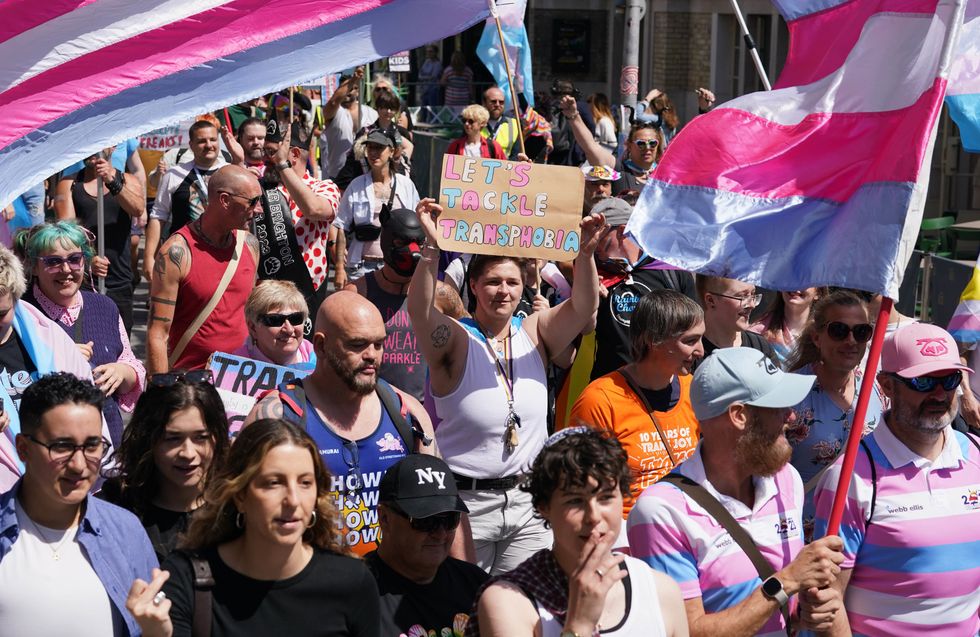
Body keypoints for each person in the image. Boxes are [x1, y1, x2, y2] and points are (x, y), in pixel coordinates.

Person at [408, 198, 604, 575]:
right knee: (466, 614)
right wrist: (431, 247)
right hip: (467, 506)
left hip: (528, 503)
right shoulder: (455, 340)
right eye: (493, 282)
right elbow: (419, 310)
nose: (504, 291)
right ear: (475, 288)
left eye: (512, 282)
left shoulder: (535, 330)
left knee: (523, 608)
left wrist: (585, 254)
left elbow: (583, 307)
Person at [628, 348, 845, 636]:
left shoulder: (786, 479)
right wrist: (788, 582)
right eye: (778, 405)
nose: (791, 416)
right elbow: (684, 631)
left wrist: (807, 609)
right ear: (739, 415)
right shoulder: (661, 511)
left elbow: (783, 608)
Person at [127, 418, 380, 637]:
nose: (292, 500)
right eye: (273, 483)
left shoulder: (352, 582)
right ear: (239, 495)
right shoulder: (187, 579)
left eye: (305, 482)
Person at [814, 323, 980, 637]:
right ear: (886, 386)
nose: (940, 393)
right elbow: (828, 599)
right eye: (923, 381)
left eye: (950, 379)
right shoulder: (851, 477)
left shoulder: (976, 454)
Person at [246, 291, 438, 556]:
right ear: (321, 346)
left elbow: (439, 509)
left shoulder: (407, 412)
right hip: (311, 584)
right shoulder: (277, 414)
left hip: (388, 587)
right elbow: (245, 514)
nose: (372, 355)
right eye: (358, 344)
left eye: (379, 344)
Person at [468, 427, 689, 636]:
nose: (593, 516)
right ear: (544, 507)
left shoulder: (660, 591)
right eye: (575, 501)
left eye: (605, 498)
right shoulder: (508, 600)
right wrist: (579, 624)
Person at [0, 373, 157, 637]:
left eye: (93, 445)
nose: (79, 465)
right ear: (23, 448)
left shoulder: (125, 532)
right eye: (62, 447)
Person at [570, 290, 703, 519]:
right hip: (627, 530)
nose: (700, 351)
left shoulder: (695, 389)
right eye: (689, 341)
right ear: (653, 340)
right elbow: (582, 488)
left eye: (701, 338)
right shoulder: (600, 400)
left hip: (690, 522)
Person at [20, 221, 145, 446]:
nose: (66, 269)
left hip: (106, 443)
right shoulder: (21, 315)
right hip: (50, 448)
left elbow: (131, 365)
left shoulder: (105, 306)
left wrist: (122, 372)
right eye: (53, 262)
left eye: (74, 259)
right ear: (35, 267)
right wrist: (60, 358)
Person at [0, 245, 111, 489]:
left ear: (16, 298)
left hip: (66, 481)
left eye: (1, 313)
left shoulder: (47, 336)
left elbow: (89, 411)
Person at [785, 290, 886, 541]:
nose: (851, 341)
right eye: (839, 330)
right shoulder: (789, 392)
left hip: (866, 534)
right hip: (805, 538)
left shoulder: (878, 391)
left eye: (861, 332)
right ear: (816, 337)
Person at [100, 373, 229, 560]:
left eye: (201, 438)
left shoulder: (237, 510)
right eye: (173, 439)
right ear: (147, 439)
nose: (188, 453)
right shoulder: (114, 508)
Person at [146, 165, 260, 375]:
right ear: (225, 200)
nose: (259, 209)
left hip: (240, 383)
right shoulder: (176, 253)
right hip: (191, 385)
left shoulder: (250, 245)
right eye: (252, 202)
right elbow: (157, 334)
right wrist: (161, 393)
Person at [350, 207, 466, 402]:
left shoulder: (442, 294)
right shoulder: (357, 294)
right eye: (401, 242)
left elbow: (471, 340)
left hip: (429, 409)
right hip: (374, 407)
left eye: (419, 243)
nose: (412, 252)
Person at [366, 454, 488, 636]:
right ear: (384, 518)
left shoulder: (477, 586)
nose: (440, 533)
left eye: (450, 519)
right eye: (425, 521)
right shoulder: (353, 594)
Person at [589, 197, 698, 380]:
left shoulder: (670, 270)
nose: (596, 247)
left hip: (667, 383)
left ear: (623, 231)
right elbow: (583, 327)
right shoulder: (592, 273)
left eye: (601, 239)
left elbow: (693, 327)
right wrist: (590, 295)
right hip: (612, 387)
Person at [55, 146, 145, 333]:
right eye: (88, 143)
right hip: (83, 280)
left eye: (99, 144)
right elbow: (68, 232)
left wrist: (111, 181)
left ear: (112, 147)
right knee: (85, 338)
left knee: (121, 339)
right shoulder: (69, 184)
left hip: (119, 277)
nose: (93, 150)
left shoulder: (128, 180)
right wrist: (88, 259)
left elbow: (137, 208)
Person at [333, 128, 420, 289]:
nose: (373, 153)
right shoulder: (356, 185)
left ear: (392, 151)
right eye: (370, 147)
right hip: (361, 266)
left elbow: (418, 222)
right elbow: (340, 226)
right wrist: (339, 267)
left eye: (379, 147)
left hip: (398, 267)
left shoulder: (406, 185)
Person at [260, 122, 341, 293]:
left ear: (294, 154)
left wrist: (282, 166)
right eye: (264, 151)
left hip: (307, 286)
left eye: (272, 152)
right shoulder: (259, 187)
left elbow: (314, 210)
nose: (265, 158)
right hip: (266, 287)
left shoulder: (323, 187)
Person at [144, 120, 227, 282]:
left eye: (212, 139)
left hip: (222, 253)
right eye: (202, 141)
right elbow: (158, 216)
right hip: (183, 254)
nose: (208, 145)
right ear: (191, 144)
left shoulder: (230, 172)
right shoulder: (174, 174)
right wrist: (148, 257)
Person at [562, 96, 665, 195]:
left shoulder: (665, 177)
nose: (648, 148)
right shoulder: (619, 170)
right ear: (629, 145)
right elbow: (590, 146)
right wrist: (573, 116)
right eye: (641, 143)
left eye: (652, 143)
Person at [695, 275, 777, 364]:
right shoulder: (692, 354)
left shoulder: (760, 346)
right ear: (711, 300)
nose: (752, 305)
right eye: (742, 296)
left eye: (753, 294)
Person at [232, 280, 315, 367]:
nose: (289, 330)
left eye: (295, 318)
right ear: (253, 327)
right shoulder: (232, 369)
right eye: (275, 320)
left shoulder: (320, 361)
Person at [749, 288, 822, 367]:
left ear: (818, 293)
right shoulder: (757, 332)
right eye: (791, 280)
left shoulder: (824, 335)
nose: (796, 287)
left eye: (805, 283)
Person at [483, 86, 522, 159]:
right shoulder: (474, 123)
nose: (497, 105)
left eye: (501, 102)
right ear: (484, 103)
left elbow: (516, 155)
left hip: (504, 168)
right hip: (479, 168)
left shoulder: (515, 124)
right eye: (493, 101)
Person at [419, 45, 444, 113]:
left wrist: (425, 76)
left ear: (435, 53)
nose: (428, 53)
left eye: (431, 51)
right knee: (423, 109)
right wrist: (427, 76)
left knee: (433, 109)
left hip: (433, 89)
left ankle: (434, 122)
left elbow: (434, 76)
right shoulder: (426, 62)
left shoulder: (438, 64)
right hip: (424, 89)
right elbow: (420, 75)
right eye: (427, 52)